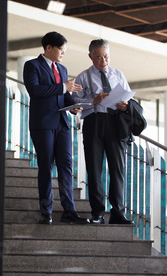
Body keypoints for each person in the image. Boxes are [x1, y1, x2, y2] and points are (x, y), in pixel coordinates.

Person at [23, 31, 89, 225]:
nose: (63, 54)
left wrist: (73, 106)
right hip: (43, 124)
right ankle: (46, 211)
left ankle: (69, 210)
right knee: (46, 166)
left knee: (66, 166)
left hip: (62, 124)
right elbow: (35, 90)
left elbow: (63, 96)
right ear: (49, 47)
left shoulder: (63, 69)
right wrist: (63, 88)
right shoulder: (32, 65)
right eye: (61, 50)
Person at [73, 39, 134, 225]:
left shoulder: (118, 74)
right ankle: (98, 212)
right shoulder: (83, 77)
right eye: (98, 57)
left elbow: (128, 97)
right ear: (90, 56)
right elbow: (75, 102)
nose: (103, 60)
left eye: (106, 56)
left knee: (117, 169)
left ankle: (118, 212)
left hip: (115, 122)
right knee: (94, 168)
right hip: (94, 122)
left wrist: (125, 106)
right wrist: (94, 101)